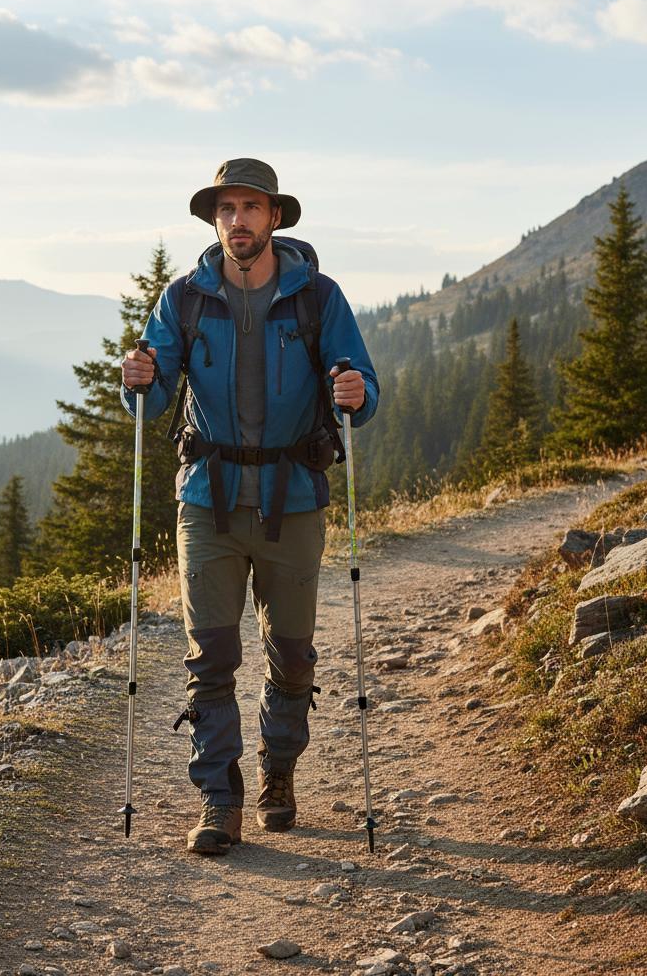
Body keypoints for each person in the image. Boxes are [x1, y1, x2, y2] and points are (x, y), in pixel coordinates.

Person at [121, 158, 379, 855]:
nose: (239, 221)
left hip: (292, 500)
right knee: (210, 656)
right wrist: (137, 380)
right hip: (206, 501)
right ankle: (218, 797)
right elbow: (150, 386)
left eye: (251, 208)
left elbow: (359, 383)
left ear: (274, 218)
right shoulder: (183, 299)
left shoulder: (318, 298)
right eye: (227, 209)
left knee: (292, 656)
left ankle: (279, 772)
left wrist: (356, 392)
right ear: (215, 219)